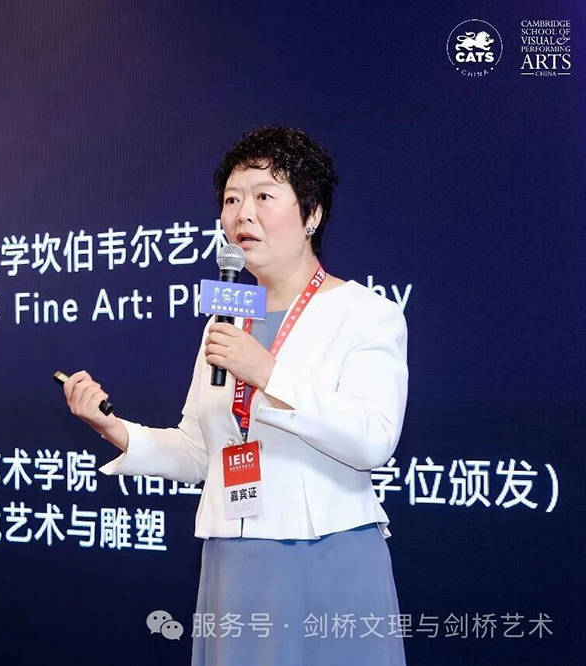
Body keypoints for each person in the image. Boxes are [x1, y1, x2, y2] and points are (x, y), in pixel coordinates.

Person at [61, 126, 408, 664]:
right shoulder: (226, 319)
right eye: (231, 200)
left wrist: (269, 372)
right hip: (234, 558)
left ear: (312, 214)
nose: (243, 214)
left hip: (325, 554)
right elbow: (200, 451)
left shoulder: (366, 313)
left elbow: (373, 440)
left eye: (264, 196)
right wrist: (114, 429)